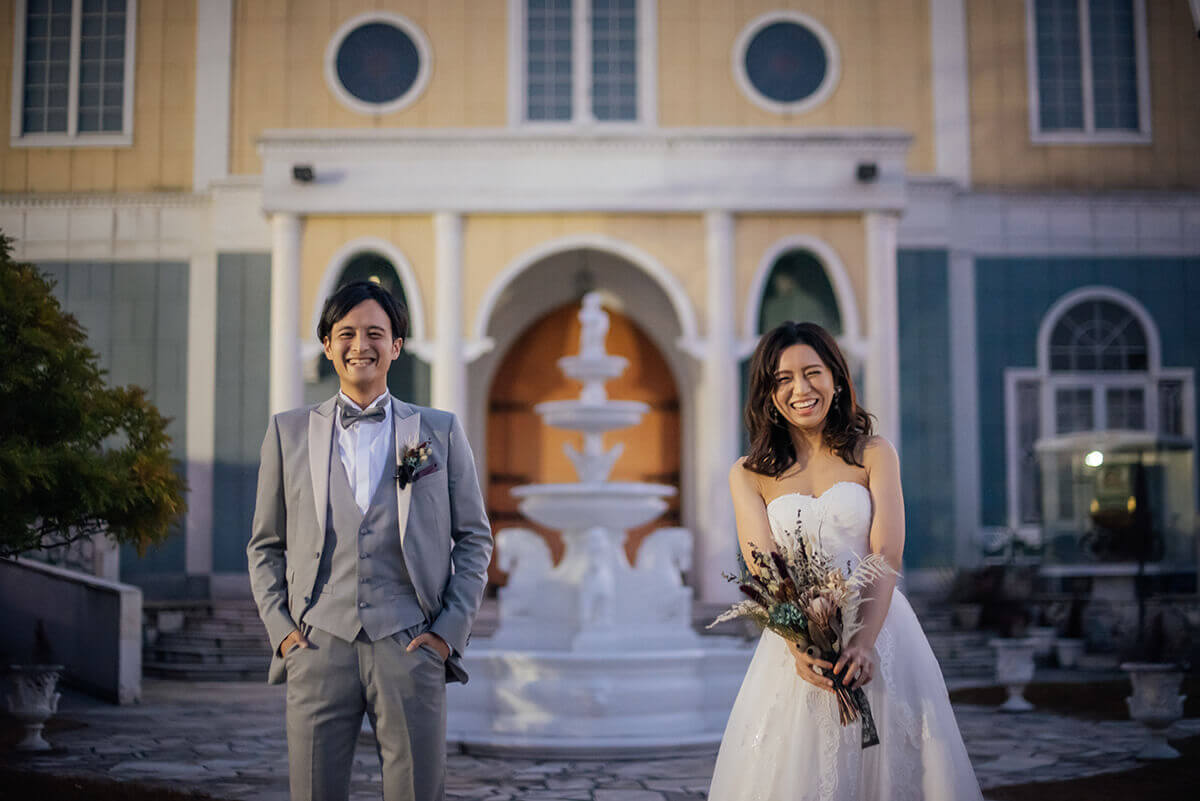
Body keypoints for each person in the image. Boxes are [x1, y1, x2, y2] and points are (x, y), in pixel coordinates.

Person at [708, 321, 982, 801]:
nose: (800, 389)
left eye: (812, 372)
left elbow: (887, 553)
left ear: (836, 378)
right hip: (798, 642)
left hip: (881, 630)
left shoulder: (872, 453)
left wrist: (862, 643)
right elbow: (764, 570)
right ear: (768, 394)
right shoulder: (749, 474)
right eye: (783, 379)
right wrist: (799, 647)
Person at [247, 281, 492, 801]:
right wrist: (284, 633)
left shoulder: (437, 432)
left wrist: (448, 634)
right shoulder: (287, 433)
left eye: (375, 333)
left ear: (396, 345)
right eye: (347, 333)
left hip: (411, 644)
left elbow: (473, 540)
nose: (361, 345)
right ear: (328, 345)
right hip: (317, 645)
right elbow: (265, 545)